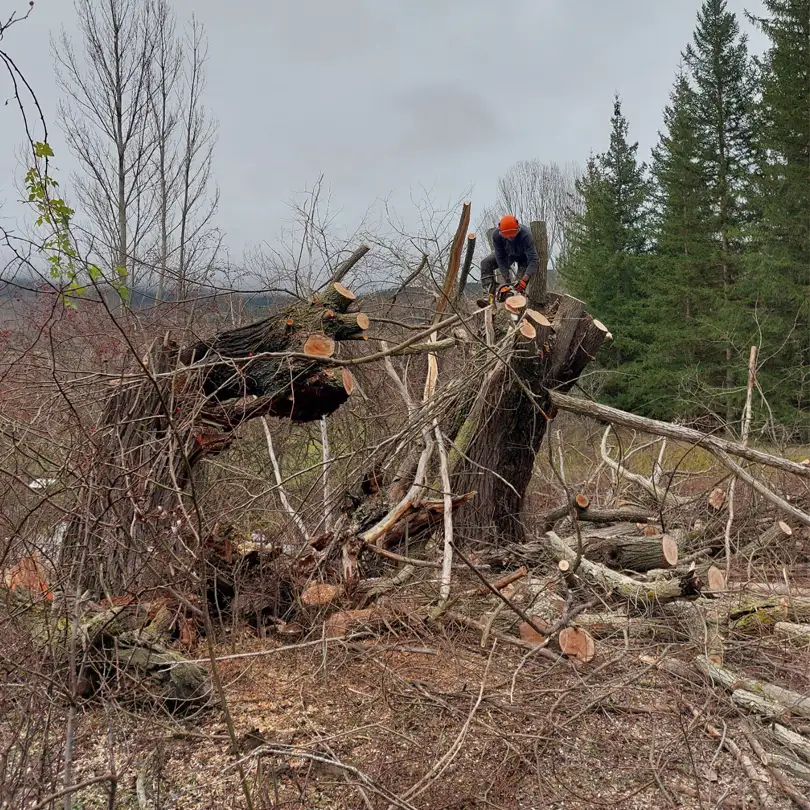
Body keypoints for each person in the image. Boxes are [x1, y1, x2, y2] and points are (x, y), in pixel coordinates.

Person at [479, 214, 539, 303]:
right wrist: (506, 277)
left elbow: (533, 260)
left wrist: (525, 278)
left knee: (518, 287)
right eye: (507, 236)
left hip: (524, 258)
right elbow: (499, 256)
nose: (510, 238)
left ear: (517, 229)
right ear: (501, 232)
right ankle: (489, 296)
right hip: (507, 255)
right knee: (485, 263)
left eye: (512, 235)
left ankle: (515, 300)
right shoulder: (496, 235)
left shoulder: (526, 235)